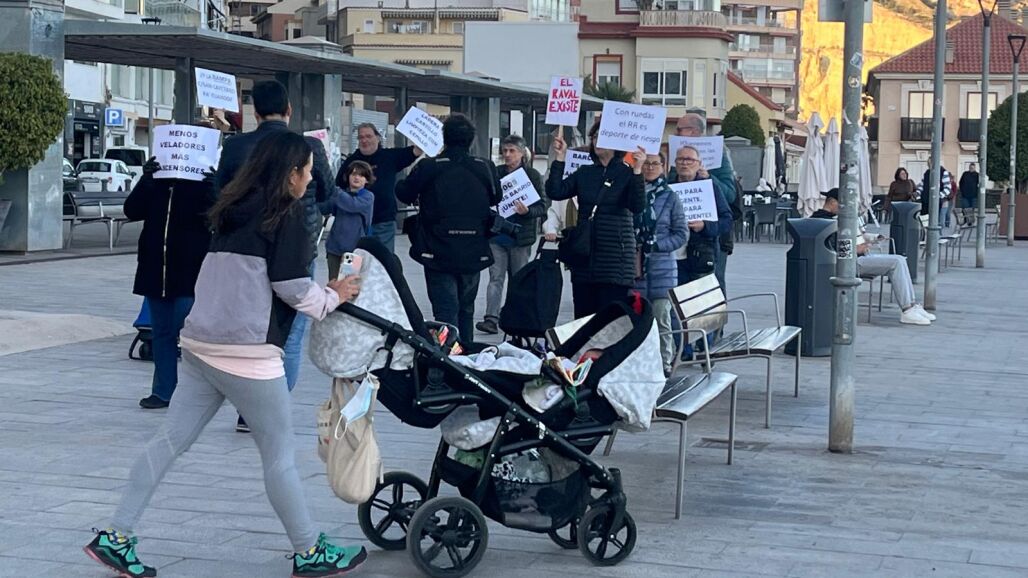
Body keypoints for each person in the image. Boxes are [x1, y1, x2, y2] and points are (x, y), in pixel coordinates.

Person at [84, 132, 367, 578]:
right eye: (308, 171)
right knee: (279, 456)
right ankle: (309, 550)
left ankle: (116, 535)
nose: (310, 179)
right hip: (249, 354)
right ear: (290, 173)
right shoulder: (287, 215)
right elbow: (293, 289)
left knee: (167, 442)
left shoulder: (230, 206)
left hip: (201, 344)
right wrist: (335, 295)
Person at [216, 80, 335, 432]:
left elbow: (220, 192)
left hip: (246, 250)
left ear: (255, 112)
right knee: (290, 337)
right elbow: (328, 192)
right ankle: (268, 412)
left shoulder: (236, 146)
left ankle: (248, 411)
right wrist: (309, 214)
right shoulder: (309, 146)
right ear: (289, 110)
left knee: (250, 331)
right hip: (298, 248)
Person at [396, 114, 500, 342]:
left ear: (444, 138)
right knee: (466, 309)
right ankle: (466, 354)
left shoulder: (430, 166)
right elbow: (496, 197)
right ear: (471, 140)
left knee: (445, 312)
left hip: (438, 249)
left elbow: (403, 193)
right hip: (473, 249)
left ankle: (448, 358)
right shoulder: (485, 167)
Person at [125, 158, 216, 410]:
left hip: (190, 271)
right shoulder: (156, 181)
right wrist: (145, 180)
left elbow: (221, 218)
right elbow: (132, 210)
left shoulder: (202, 183)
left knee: (191, 333)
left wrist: (215, 189)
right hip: (155, 268)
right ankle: (163, 391)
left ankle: (198, 392)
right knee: (161, 332)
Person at [546, 121, 647, 318]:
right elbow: (555, 191)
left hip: (615, 260)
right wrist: (560, 158)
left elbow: (637, 206)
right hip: (585, 257)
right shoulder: (585, 172)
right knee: (583, 320)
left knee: (609, 321)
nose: (596, 141)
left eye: (602, 136)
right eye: (594, 137)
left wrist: (638, 170)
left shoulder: (627, 173)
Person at [812, 188, 935, 326]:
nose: (846, 208)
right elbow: (834, 248)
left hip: (859, 257)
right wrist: (857, 249)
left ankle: (911, 305)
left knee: (900, 259)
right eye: (844, 204)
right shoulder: (825, 221)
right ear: (833, 202)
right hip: (851, 263)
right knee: (896, 262)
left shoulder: (835, 219)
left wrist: (874, 238)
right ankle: (907, 309)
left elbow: (854, 238)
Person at [476, 134, 547, 335]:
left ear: (522, 153)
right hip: (497, 236)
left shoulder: (532, 175)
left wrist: (528, 211)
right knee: (495, 278)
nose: (507, 155)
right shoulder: (496, 173)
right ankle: (491, 318)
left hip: (520, 238)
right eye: (505, 151)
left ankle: (515, 318)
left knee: (518, 280)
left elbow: (543, 205)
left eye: (512, 151)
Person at [633, 152, 687, 375]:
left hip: (662, 268)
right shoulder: (632, 192)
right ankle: (640, 361)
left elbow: (681, 234)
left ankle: (665, 362)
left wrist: (656, 245)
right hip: (636, 267)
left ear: (664, 167)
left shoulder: (670, 196)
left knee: (661, 317)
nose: (650, 167)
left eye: (655, 163)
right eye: (646, 163)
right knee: (637, 320)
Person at [673, 111, 738, 292]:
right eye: (680, 160)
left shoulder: (718, 155)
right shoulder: (673, 166)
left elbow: (730, 196)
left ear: (693, 131)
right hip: (677, 250)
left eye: (679, 129)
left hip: (704, 246)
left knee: (708, 291)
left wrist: (708, 178)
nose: (676, 133)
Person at [336, 123, 421, 253]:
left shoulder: (390, 156)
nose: (364, 140)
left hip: (384, 221)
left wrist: (424, 133)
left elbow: (416, 151)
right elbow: (338, 186)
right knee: (357, 261)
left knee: (384, 260)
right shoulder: (351, 161)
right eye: (361, 137)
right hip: (357, 222)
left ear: (378, 137)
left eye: (368, 136)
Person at [320, 160, 375, 281]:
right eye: (353, 174)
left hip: (354, 251)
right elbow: (325, 208)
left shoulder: (367, 196)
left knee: (348, 284)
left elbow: (352, 205)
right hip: (334, 248)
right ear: (348, 176)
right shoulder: (341, 195)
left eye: (361, 175)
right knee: (334, 283)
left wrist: (334, 189)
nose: (357, 177)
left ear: (367, 180)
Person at [917, 164, 954, 229]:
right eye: (928, 163)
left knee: (935, 222)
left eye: (930, 163)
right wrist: (918, 193)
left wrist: (939, 196)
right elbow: (921, 185)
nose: (929, 165)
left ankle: (936, 234)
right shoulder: (927, 172)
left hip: (936, 202)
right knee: (924, 222)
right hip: (925, 200)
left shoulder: (943, 172)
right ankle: (925, 233)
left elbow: (948, 187)